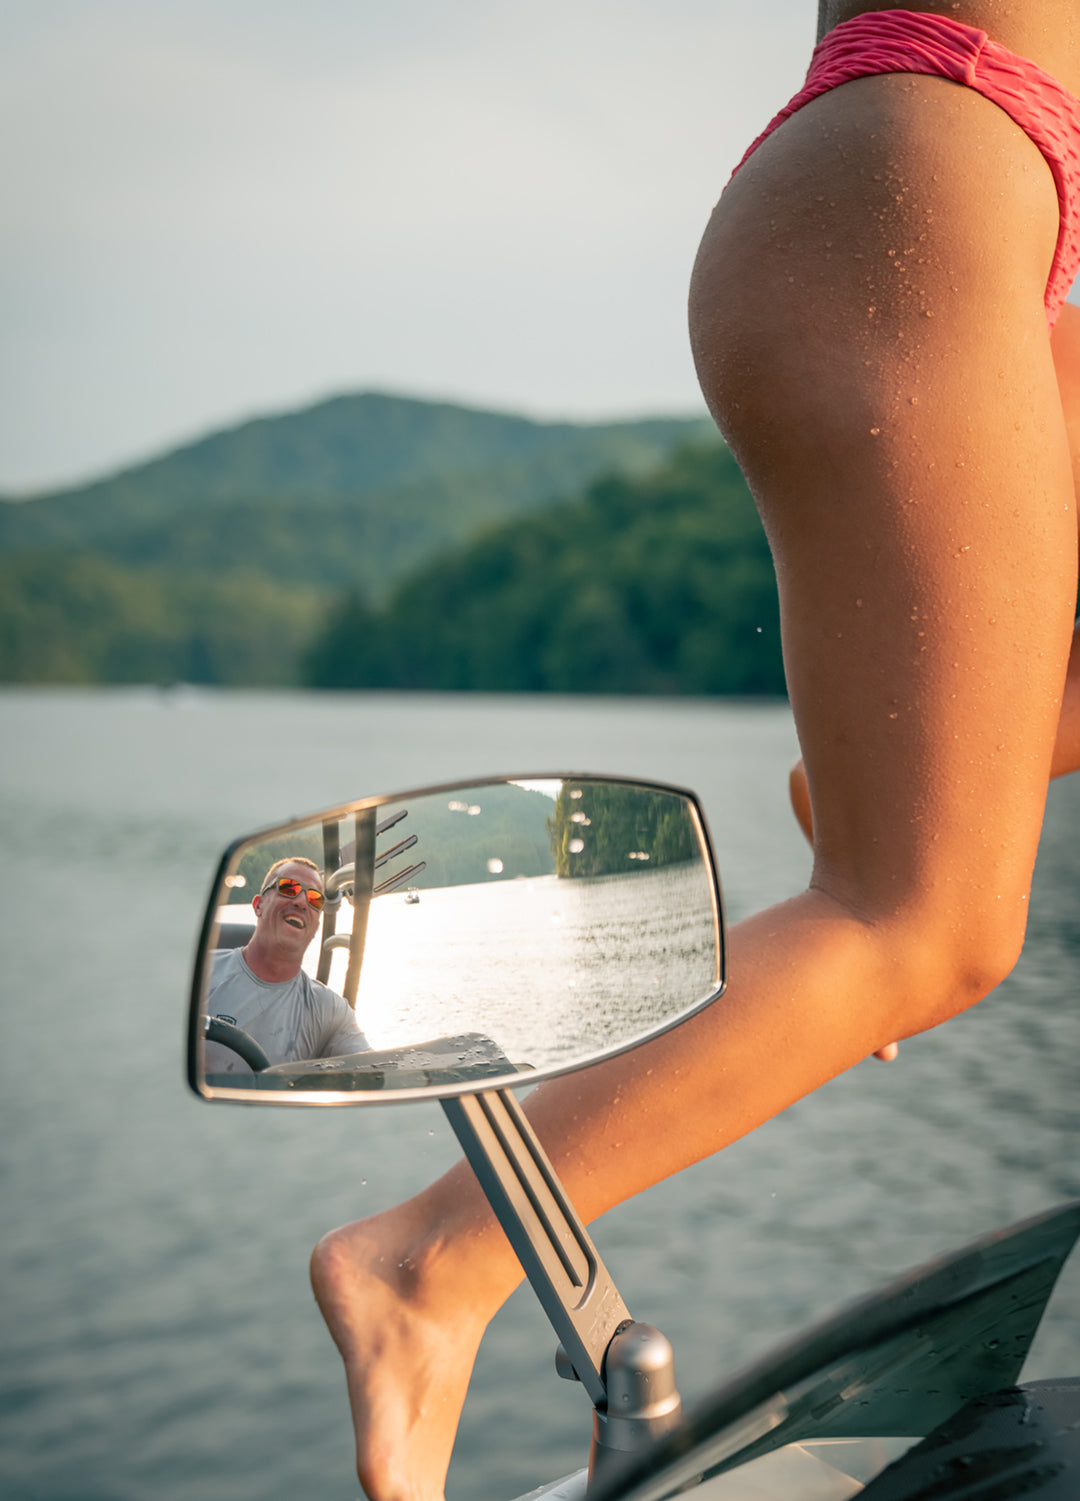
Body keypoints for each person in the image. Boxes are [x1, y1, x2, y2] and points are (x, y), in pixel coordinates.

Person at [308, 7, 1080, 1498]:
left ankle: (885, 797)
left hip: (990, 183)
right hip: (922, 171)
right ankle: (427, 1260)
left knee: (921, 891)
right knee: (931, 928)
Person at [205, 856, 370, 1074]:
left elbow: (372, 1071)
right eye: (289, 888)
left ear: (316, 925)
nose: (302, 902)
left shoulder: (329, 1011)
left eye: (315, 899)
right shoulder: (202, 972)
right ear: (258, 905)